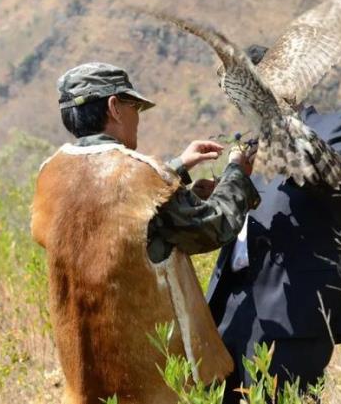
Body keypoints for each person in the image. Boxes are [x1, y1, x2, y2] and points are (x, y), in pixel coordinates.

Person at [30, 62, 260, 404]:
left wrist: (178, 168)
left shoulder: (51, 174)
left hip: (88, 386)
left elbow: (113, 210)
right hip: (156, 385)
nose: (137, 116)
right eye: (134, 107)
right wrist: (236, 173)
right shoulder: (139, 175)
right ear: (114, 108)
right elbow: (214, 228)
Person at [205, 46, 341, 403]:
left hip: (290, 318)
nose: (239, 101)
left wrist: (287, 134)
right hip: (227, 316)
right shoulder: (247, 147)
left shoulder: (339, 126)